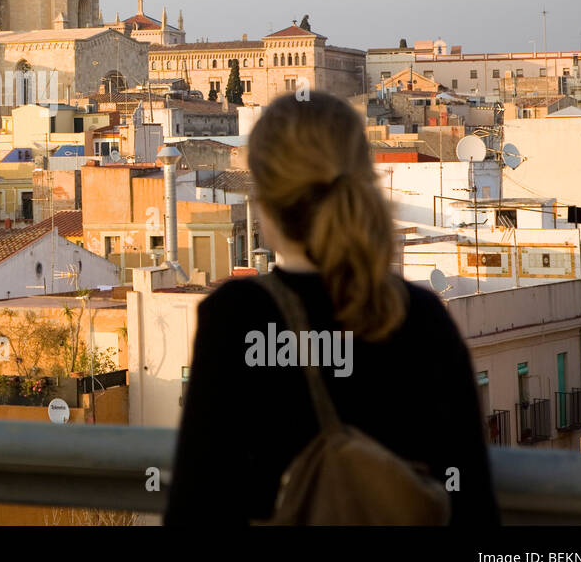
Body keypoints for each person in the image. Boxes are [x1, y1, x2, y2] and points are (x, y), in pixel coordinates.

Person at [164, 92, 498, 525]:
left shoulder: (237, 316)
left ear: (265, 199)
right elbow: (472, 501)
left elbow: (196, 498)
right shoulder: (420, 315)